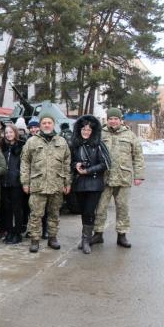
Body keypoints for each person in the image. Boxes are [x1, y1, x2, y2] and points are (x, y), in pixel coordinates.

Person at [91, 107, 145, 248]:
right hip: (104, 178)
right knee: (100, 207)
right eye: (110, 119)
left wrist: (139, 175)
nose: (113, 121)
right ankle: (98, 233)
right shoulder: (99, 134)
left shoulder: (130, 135)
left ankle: (122, 235)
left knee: (123, 208)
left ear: (121, 120)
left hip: (123, 177)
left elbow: (138, 156)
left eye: (116, 119)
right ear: (107, 120)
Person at [21, 113, 71, 253]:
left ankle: (52, 238)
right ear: (40, 125)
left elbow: (67, 163)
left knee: (54, 214)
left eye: (49, 122)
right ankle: (35, 240)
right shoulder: (32, 142)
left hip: (56, 184)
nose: (47, 125)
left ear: (53, 124)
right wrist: (25, 182)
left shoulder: (61, 141)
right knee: (36, 214)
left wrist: (67, 182)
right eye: (44, 123)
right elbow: (25, 163)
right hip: (38, 184)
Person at [71, 115, 110, 254]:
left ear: (92, 131)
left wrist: (88, 170)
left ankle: (86, 240)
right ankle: (85, 238)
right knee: (83, 212)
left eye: (88, 129)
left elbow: (106, 164)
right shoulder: (75, 145)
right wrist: (76, 165)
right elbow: (69, 161)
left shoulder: (99, 144)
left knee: (89, 211)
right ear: (79, 130)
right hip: (79, 184)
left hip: (94, 183)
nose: (86, 132)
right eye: (83, 129)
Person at [0, 124, 25, 244]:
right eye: (6, 133)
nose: (8, 135)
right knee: (6, 209)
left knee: (17, 208)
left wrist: (19, 175)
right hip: (4, 182)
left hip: (16, 183)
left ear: (15, 133)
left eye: (11, 132)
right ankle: (9, 231)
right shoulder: (2, 146)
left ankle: (17, 232)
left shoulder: (21, 146)